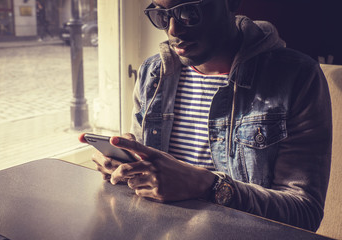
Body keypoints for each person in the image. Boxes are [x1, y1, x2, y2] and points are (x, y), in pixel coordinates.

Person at [92, 0, 332, 232]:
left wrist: (209, 186)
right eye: (162, 16)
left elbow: (304, 213)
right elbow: (148, 178)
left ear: (231, 3)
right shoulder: (153, 73)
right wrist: (126, 168)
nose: (173, 29)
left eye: (189, 12)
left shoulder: (297, 77)